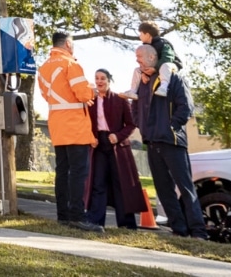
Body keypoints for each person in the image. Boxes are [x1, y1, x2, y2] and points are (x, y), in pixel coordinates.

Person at [133, 43, 209, 240]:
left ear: (151, 57)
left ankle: (198, 232)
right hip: (151, 142)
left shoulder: (174, 78)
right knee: (163, 188)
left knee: (185, 187)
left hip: (173, 142)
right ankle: (179, 229)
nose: (137, 60)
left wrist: (172, 127)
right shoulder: (141, 82)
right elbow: (135, 107)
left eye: (139, 56)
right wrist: (141, 126)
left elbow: (186, 107)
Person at [37, 31, 102, 232]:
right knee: (78, 172)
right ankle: (77, 216)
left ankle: (63, 216)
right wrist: (92, 91)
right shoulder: (71, 64)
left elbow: (48, 96)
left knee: (62, 172)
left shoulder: (43, 68)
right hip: (74, 126)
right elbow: (82, 93)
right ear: (67, 44)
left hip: (57, 124)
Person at [85, 68, 147, 229]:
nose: (99, 81)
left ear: (109, 81)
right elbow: (85, 122)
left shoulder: (120, 99)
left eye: (103, 78)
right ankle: (95, 222)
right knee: (98, 184)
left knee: (121, 184)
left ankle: (127, 224)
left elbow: (132, 124)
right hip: (98, 145)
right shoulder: (90, 101)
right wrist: (91, 138)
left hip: (117, 146)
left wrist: (118, 136)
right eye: (97, 78)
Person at [126, 21, 182, 98]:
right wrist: (144, 73)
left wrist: (155, 69)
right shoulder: (146, 47)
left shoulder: (163, 43)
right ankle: (133, 91)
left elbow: (167, 58)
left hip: (171, 66)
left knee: (165, 65)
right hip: (157, 68)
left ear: (147, 35)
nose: (139, 36)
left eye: (141, 34)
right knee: (137, 70)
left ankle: (164, 87)